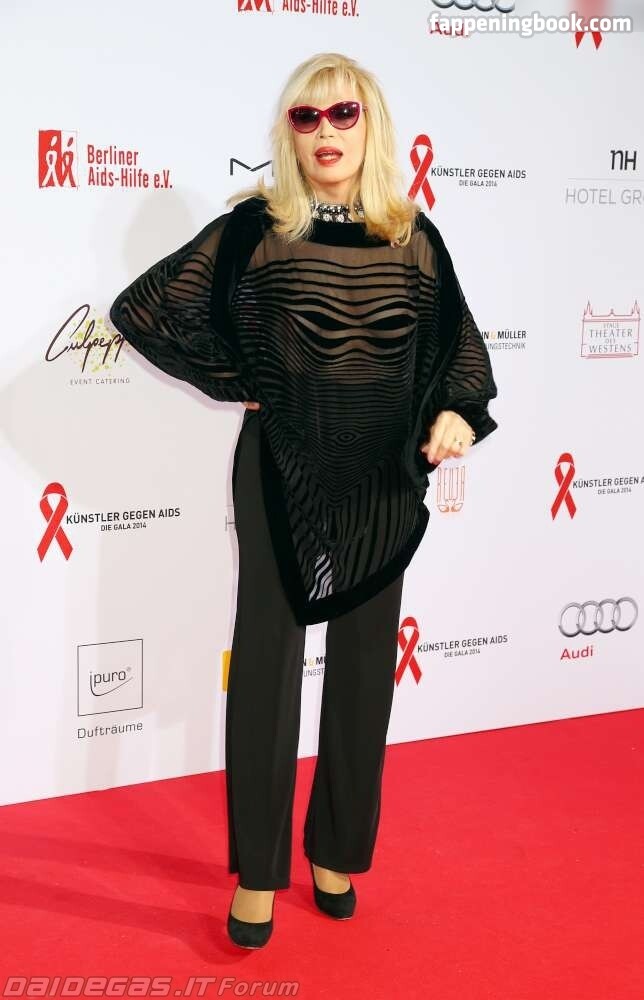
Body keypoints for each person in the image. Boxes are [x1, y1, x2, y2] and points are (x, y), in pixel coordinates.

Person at [109, 51, 498, 949]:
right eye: (306, 117)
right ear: (289, 133)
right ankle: (257, 870)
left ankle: (336, 851)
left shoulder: (413, 237)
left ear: (372, 126)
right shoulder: (255, 229)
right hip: (278, 471)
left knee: (364, 671)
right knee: (267, 664)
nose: (325, 132)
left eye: (343, 114)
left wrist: (454, 413)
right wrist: (235, 377)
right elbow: (144, 310)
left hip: (382, 478)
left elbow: (460, 355)